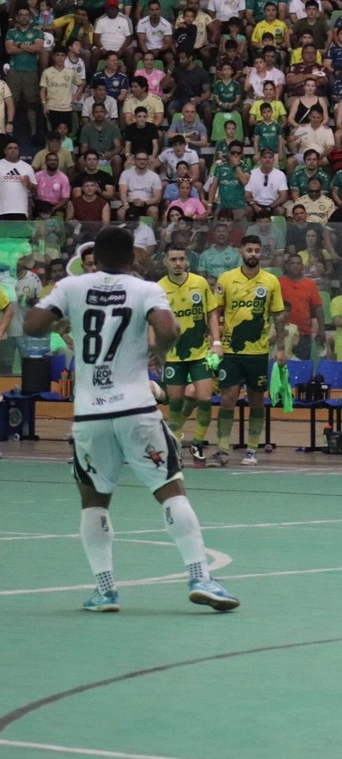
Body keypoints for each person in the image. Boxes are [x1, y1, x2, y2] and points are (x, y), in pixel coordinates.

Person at [22, 227, 239, 613]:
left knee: (94, 500)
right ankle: (200, 577)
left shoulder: (72, 286)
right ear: (133, 259)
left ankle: (105, 591)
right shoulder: (145, 289)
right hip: (136, 408)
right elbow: (169, 329)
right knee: (170, 488)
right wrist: (159, 350)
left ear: (95, 255)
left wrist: (63, 317)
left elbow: (33, 325)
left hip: (90, 413)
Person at [212, 236, 287, 468]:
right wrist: (216, 342)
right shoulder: (226, 279)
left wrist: (281, 348)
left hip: (258, 352)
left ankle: (252, 450)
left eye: (257, 250)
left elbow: (279, 316)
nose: (253, 254)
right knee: (227, 399)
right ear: (240, 251)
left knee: (256, 401)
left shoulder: (271, 281)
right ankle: (222, 450)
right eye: (249, 250)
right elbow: (214, 312)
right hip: (231, 351)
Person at [158, 247, 220, 468]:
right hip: (174, 355)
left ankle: (198, 443)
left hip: (200, 352)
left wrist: (217, 343)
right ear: (165, 261)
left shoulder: (200, 283)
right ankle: (174, 448)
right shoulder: (158, 289)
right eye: (173, 259)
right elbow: (153, 323)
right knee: (175, 404)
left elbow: (212, 313)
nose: (178, 263)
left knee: (204, 399)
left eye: (181, 259)